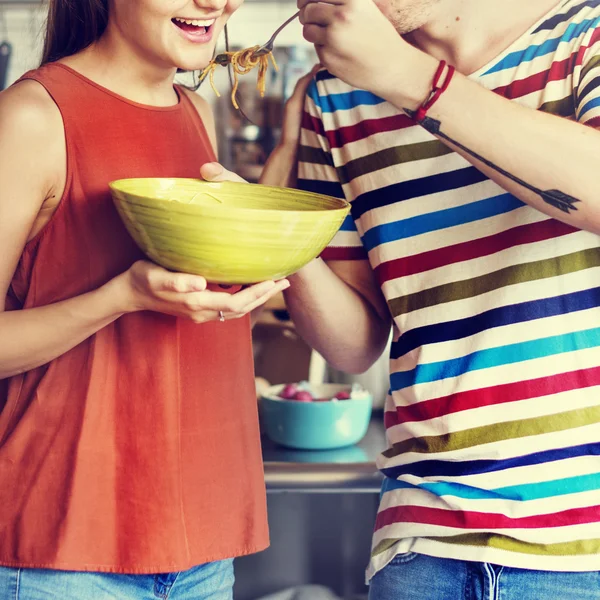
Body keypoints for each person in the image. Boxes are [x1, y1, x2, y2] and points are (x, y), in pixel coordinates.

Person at [204, 0, 600, 597]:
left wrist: (403, 75)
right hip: (422, 544)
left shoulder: (585, 36)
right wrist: (278, 235)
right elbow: (355, 341)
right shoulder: (333, 95)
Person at [0, 0, 292, 598]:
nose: (216, 3)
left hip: (202, 548)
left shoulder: (198, 112)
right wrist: (121, 297)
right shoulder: (33, 116)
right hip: (64, 553)